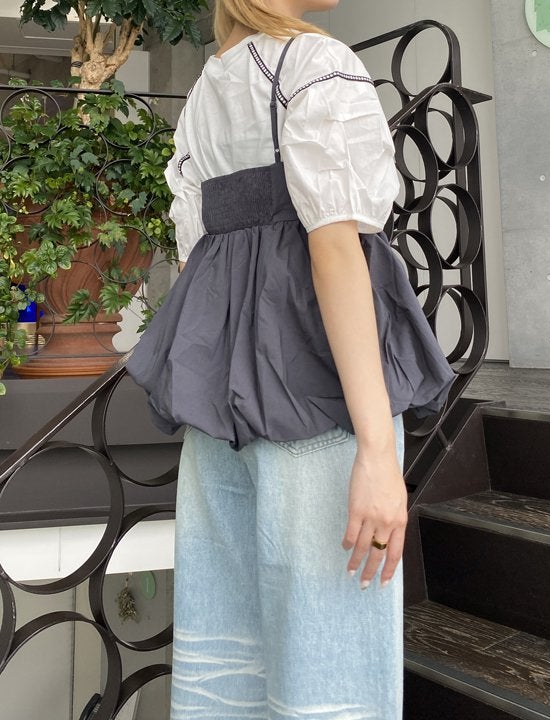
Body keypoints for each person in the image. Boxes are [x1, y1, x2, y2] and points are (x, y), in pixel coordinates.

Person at [127, 1, 455, 717]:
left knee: (227, 636)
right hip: (313, 387)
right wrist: (376, 449)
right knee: (334, 648)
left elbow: (194, 256)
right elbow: (333, 245)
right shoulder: (315, 63)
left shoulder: (208, 91)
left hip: (221, 394)